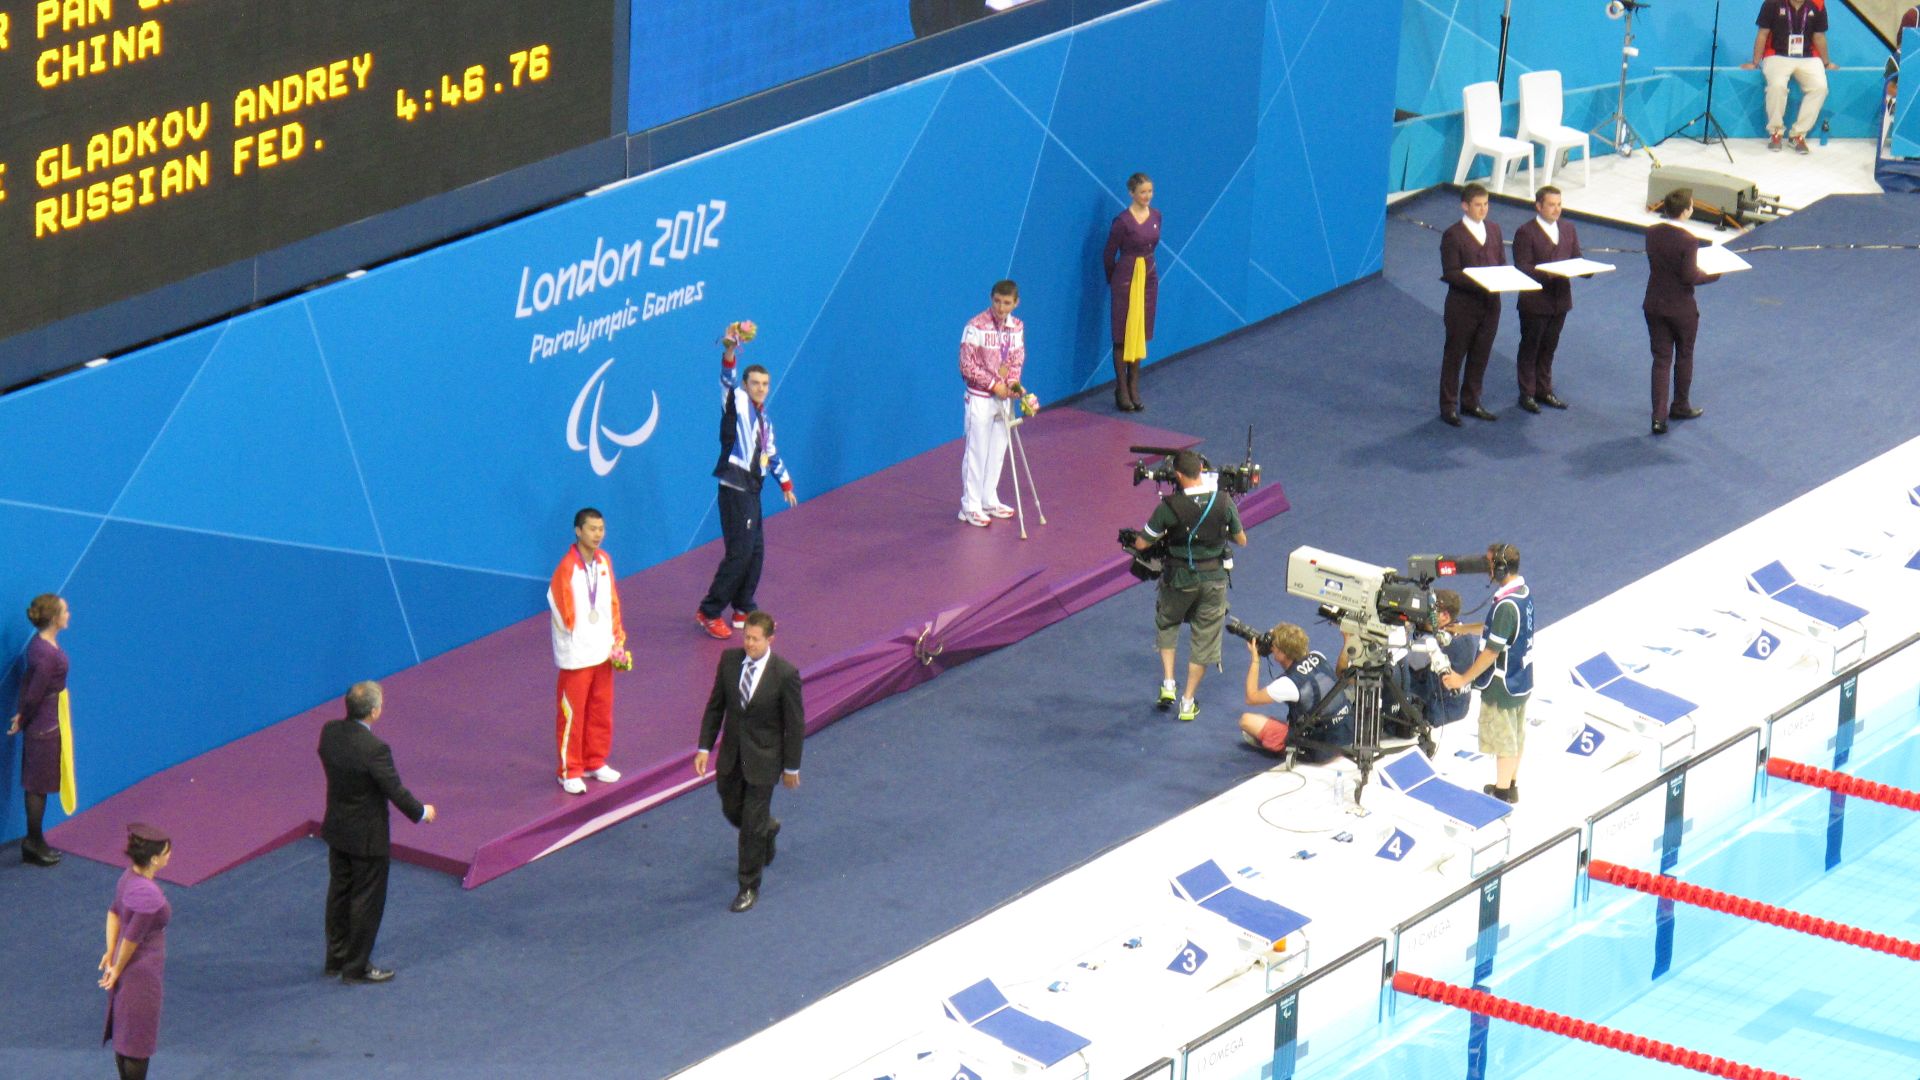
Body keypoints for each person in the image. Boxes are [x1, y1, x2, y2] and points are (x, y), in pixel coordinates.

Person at [318, 681, 435, 984]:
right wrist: (422, 812)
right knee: (365, 902)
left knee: (339, 894)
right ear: (373, 712)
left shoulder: (329, 732)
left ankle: (336, 958)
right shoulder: (375, 750)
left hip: (337, 829)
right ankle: (356, 968)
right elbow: (394, 790)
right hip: (368, 839)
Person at [694, 611, 805, 913]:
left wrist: (791, 767)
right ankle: (767, 829)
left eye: (755, 640)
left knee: (749, 828)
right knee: (733, 809)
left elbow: (794, 725)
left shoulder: (785, 674)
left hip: (765, 760)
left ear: (770, 640)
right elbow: (716, 707)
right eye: (747, 638)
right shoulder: (729, 661)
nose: (749, 644)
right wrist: (704, 747)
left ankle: (748, 886)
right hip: (731, 757)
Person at [697, 322, 797, 640]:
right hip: (735, 485)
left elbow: (771, 454)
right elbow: (726, 378)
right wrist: (730, 349)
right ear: (745, 384)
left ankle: (742, 608)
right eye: (755, 383)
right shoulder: (736, 401)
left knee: (755, 552)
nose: (760, 388)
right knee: (740, 552)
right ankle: (709, 611)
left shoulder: (765, 418)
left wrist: (786, 484)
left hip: (754, 488)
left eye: (765, 384)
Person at [1133, 450, 1248, 722]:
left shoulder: (1168, 507)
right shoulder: (1223, 501)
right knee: (1204, 639)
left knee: (1168, 622)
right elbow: (1241, 540)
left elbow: (1141, 544)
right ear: (1201, 470)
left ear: (1178, 475)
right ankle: (1187, 703)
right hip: (1214, 580)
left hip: (1178, 579)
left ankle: (1169, 684)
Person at [1442, 544, 1533, 803]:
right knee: (1515, 734)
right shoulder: (1522, 594)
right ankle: (1510, 783)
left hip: (1502, 682)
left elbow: (1491, 651)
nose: (1488, 569)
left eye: (1491, 564)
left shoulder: (1505, 606)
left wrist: (1462, 679)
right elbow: (1494, 628)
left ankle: (1502, 792)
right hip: (1520, 678)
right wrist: (1463, 629)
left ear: (1501, 568)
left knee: (1504, 738)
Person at [550, 507, 627, 792]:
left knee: (600, 710)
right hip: (577, 655)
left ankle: (595, 761)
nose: (598, 534)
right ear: (578, 531)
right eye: (592, 529)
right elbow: (559, 607)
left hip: (603, 651)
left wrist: (617, 637)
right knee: (573, 714)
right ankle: (569, 769)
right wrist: (574, 636)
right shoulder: (566, 567)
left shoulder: (605, 561)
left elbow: (612, 602)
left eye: (601, 529)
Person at [1642, 189, 1721, 436]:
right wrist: (1713, 275)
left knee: (1661, 360)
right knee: (1684, 355)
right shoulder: (1688, 240)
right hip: (1680, 308)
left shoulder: (1652, 233)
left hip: (1654, 303)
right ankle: (1680, 405)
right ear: (1687, 210)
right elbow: (1688, 277)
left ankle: (1658, 417)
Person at [99, 824, 172, 1080]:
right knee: (137, 1043)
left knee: (125, 1034)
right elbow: (132, 937)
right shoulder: (148, 895)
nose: (169, 855)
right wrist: (117, 967)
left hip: (125, 964)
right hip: (140, 974)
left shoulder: (128, 876)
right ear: (154, 859)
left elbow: (113, 912)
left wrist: (110, 953)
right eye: (166, 851)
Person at [958, 280, 1033, 528]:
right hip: (980, 397)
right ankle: (970, 505)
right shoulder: (975, 326)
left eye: (1007, 303)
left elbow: (1016, 359)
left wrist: (1013, 384)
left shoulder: (1017, 327)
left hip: (1003, 399)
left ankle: (989, 498)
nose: (1001, 308)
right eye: (997, 302)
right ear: (991, 299)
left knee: (999, 449)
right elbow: (967, 365)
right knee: (977, 450)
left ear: (1016, 303)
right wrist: (993, 384)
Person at [9, 593, 71, 867]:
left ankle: (34, 841)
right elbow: (34, 692)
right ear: (55, 618)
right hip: (46, 725)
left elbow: (27, 683)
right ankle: (33, 842)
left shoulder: (38, 645)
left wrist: (22, 714)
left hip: (43, 720)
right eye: (65, 611)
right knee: (38, 787)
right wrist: (23, 717)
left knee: (38, 785)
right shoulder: (47, 654)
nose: (69, 614)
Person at [1438, 183, 1505, 426]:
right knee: (1455, 356)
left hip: (1490, 305)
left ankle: (1471, 401)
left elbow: (1502, 264)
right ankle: (1448, 406)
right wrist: (1480, 280)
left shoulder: (1495, 230)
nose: (1483, 209)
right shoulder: (1453, 235)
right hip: (1462, 307)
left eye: (1486, 204)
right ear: (1465, 206)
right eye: (1478, 205)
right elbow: (1450, 272)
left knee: (1480, 355)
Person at [1510, 186, 1579, 412]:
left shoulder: (1568, 229)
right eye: (1551, 204)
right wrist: (1548, 272)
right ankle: (1527, 393)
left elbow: (1576, 258)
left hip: (1560, 300)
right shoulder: (1525, 232)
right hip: (1535, 301)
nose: (1556, 209)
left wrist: (1585, 269)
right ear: (1538, 206)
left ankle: (1544, 390)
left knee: (1549, 347)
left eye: (1559, 204)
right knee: (1531, 347)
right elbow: (1522, 266)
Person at [1237, 623, 1350, 758]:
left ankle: (1288, 748)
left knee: (1246, 720)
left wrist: (1255, 659)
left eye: (1275, 647)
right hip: (1347, 730)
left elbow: (1251, 697)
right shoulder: (1317, 655)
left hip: (1320, 747)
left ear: (1283, 653)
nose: (1272, 648)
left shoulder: (1287, 684)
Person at [1742, 0, 1837, 154]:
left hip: (1808, 57)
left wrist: (1826, 63)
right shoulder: (1772, 3)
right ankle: (1775, 132)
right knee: (1777, 86)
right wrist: (1755, 62)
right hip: (1776, 55)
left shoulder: (1818, 4)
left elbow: (1819, 36)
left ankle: (1798, 135)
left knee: (1820, 88)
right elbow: (1763, 33)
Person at [1103, 172, 1161, 412]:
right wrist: (1116, 280)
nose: (1147, 196)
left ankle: (1134, 385)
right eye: (1142, 192)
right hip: (1126, 279)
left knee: (1140, 332)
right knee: (1122, 334)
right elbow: (1109, 254)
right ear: (1131, 193)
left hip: (1148, 277)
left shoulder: (1157, 216)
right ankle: (1122, 389)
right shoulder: (1122, 222)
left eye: (1149, 191)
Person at [1394, 590, 1480, 730]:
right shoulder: (1466, 634)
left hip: (1436, 712)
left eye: (1429, 612)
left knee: (1395, 672)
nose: (1422, 617)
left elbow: (1404, 661)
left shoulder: (1431, 642)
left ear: (1445, 616)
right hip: (1460, 706)